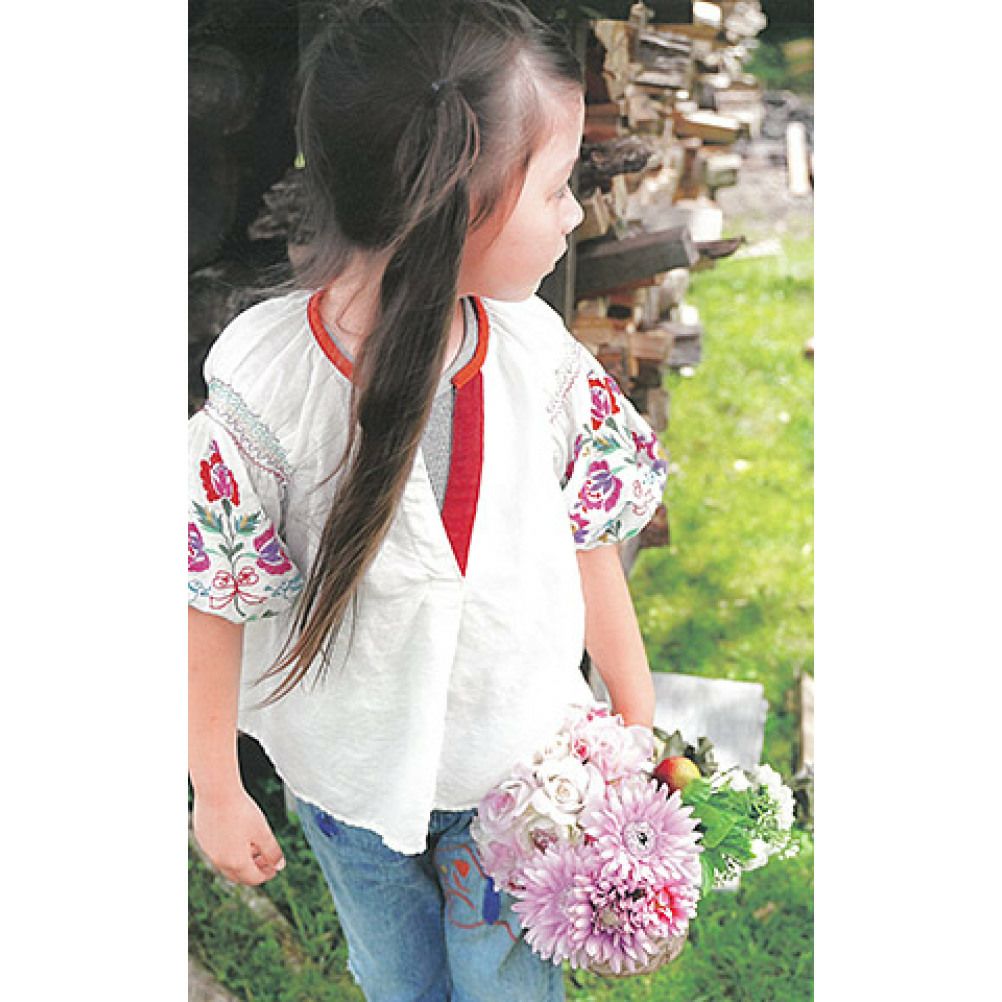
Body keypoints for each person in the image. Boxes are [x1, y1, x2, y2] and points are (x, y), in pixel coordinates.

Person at [188, 1, 669, 999]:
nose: (575, 216)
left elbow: (591, 534)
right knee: (399, 980)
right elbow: (211, 592)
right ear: (457, 202)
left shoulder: (539, 359)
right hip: (349, 788)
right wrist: (218, 787)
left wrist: (635, 713)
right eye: (556, 189)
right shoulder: (268, 387)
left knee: (508, 988)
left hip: (521, 780)